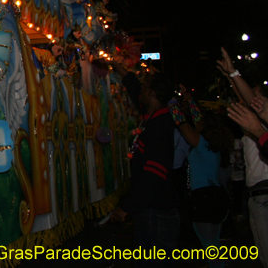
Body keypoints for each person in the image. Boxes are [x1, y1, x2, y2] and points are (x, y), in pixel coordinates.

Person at [110, 69, 179, 266]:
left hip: (156, 212)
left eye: (146, 87)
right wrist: (122, 71)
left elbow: (154, 175)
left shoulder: (159, 125)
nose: (142, 90)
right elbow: (135, 91)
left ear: (154, 94)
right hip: (152, 209)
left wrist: (128, 206)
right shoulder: (155, 118)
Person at [218, 47, 268, 268]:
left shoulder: (200, 138)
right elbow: (248, 101)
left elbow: (248, 103)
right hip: (252, 193)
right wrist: (233, 74)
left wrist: (177, 111)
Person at [175, 105, 233, 268]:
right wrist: (189, 101)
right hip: (217, 196)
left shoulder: (202, 144)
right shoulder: (213, 147)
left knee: (211, 249)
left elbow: (183, 125)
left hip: (205, 199)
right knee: (213, 246)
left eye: (199, 122)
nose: (196, 123)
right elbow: (196, 118)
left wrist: (173, 106)